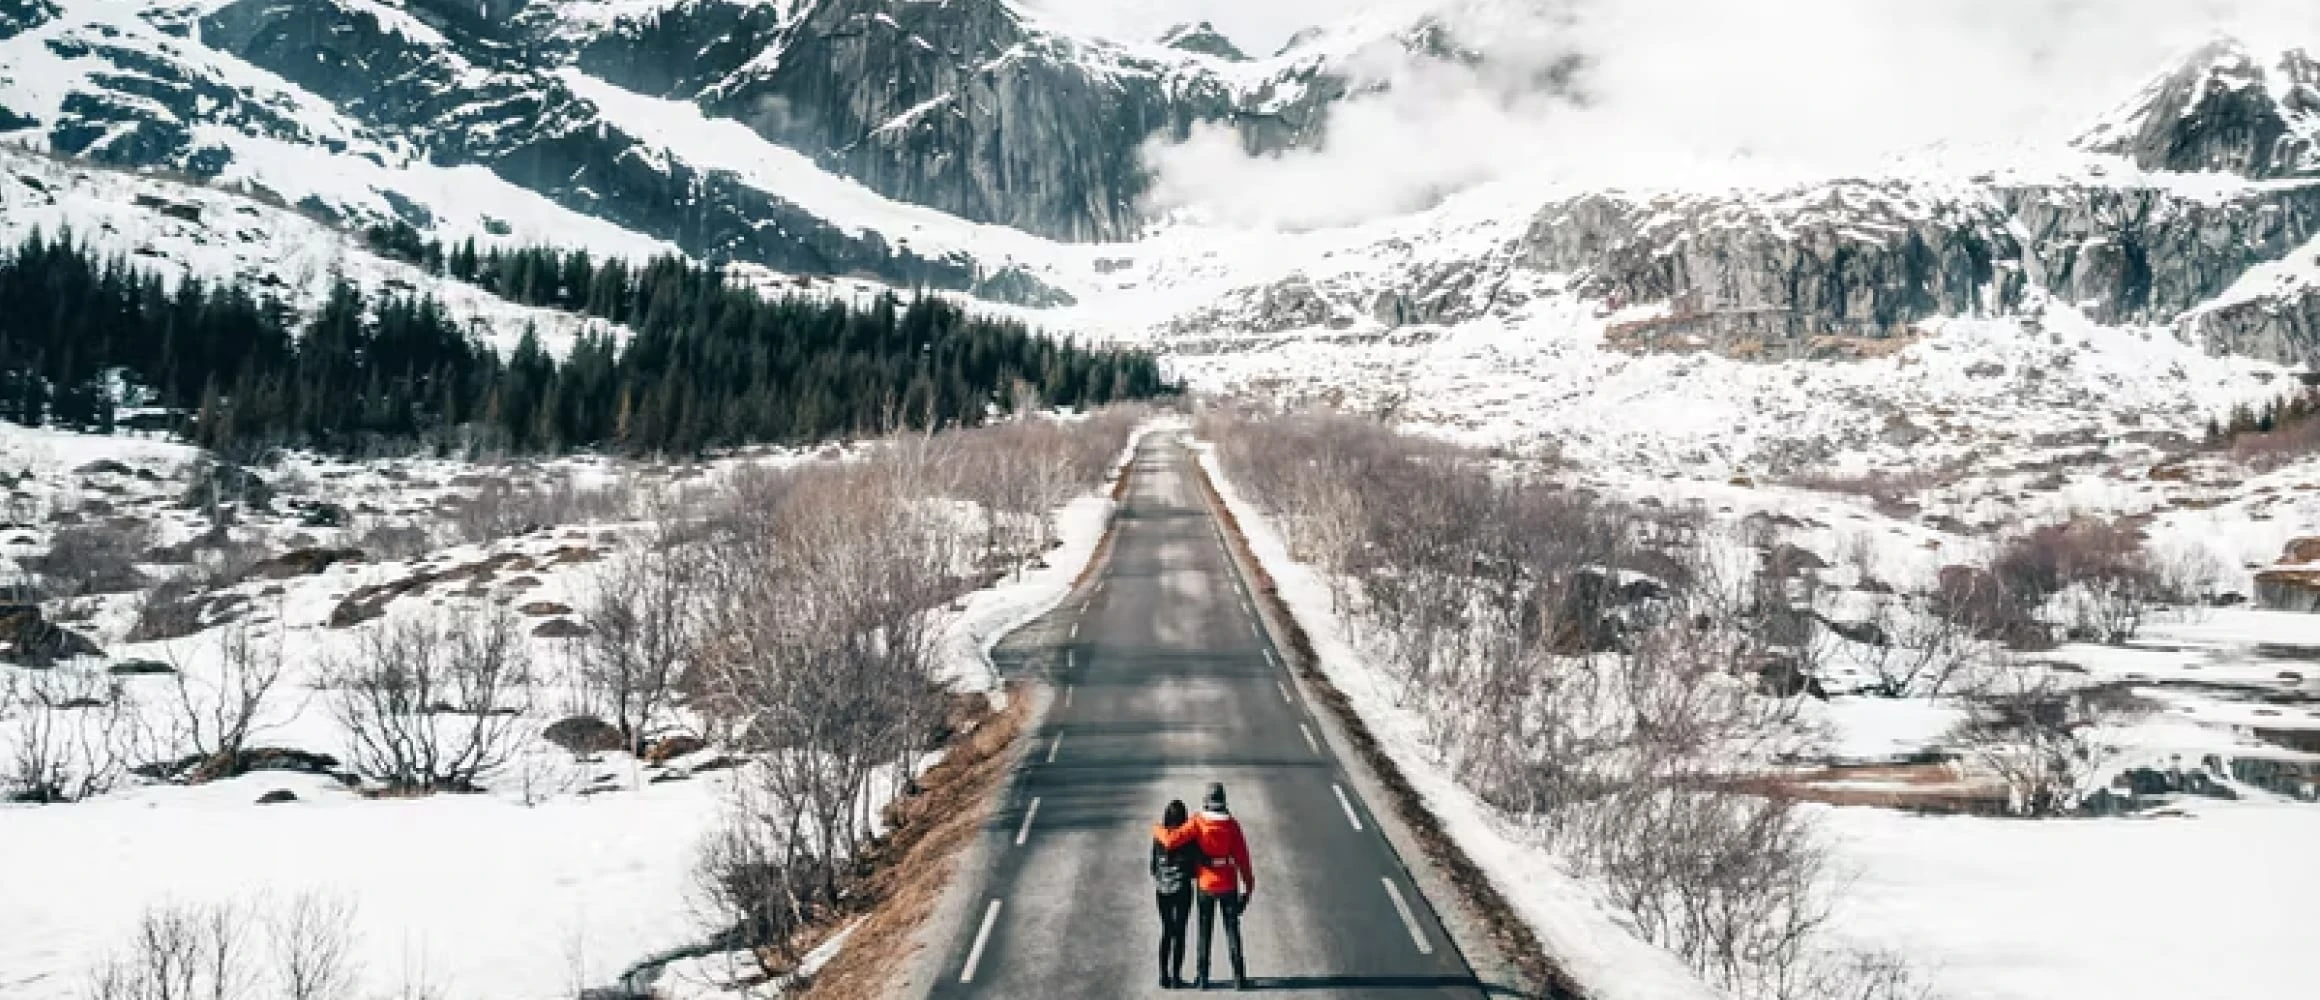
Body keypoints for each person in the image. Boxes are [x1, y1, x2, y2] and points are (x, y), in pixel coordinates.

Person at [1158, 782, 1255, 990]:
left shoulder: (1198, 822)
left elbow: (1170, 840)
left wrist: (1155, 827)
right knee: (1232, 931)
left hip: (1205, 884)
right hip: (1228, 884)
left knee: (1204, 931)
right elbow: (1243, 859)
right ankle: (1239, 977)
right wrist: (1249, 887)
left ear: (1207, 802)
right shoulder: (1232, 825)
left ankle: (1203, 978)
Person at [1151, 800, 1200, 989]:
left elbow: (1153, 866)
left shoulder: (1158, 838)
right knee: (1180, 932)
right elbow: (1194, 869)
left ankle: (1163, 976)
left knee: (1166, 931)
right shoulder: (1187, 838)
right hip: (1182, 890)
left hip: (1162, 890)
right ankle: (1176, 977)